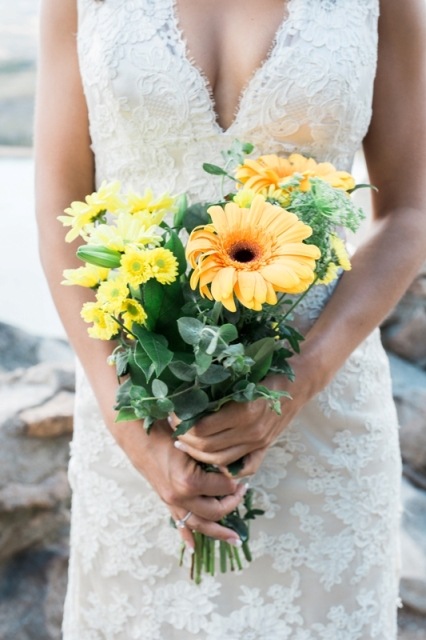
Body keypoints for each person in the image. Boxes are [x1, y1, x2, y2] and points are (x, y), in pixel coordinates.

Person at [34, 0, 426, 637]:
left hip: (322, 419)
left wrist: (296, 380)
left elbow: (408, 210)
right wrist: (137, 434)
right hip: (140, 409)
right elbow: (61, 218)